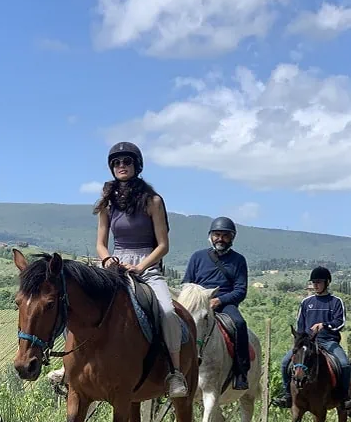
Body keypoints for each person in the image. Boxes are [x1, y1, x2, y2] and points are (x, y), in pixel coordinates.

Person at [94, 141, 187, 398]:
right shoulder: (107, 204)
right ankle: (70, 365)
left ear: (137, 166)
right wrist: (108, 260)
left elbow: (163, 245)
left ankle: (175, 372)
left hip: (146, 266)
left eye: (127, 162)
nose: (121, 166)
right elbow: (101, 244)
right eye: (117, 163)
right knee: (83, 301)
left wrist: (141, 266)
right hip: (115, 266)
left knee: (168, 311)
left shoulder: (153, 201)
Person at [182, 216, 251, 390]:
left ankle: (241, 372)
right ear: (210, 236)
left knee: (240, 324)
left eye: (225, 235)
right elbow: (187, 283)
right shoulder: (197, 257)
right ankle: (171, 369)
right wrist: (198, 299)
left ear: (232, 238)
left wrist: (219, 300)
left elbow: (240, 290)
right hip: (198, 303)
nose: (220, 239)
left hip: (224, 303)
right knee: (174, 324)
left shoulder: (239, 260)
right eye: (217, 234)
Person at [272, 266, 350, 407]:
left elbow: (340, 323)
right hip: (307, 344)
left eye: (318, 282)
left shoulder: (336, 301)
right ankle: (287, 395)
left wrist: (324, 325)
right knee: (284, 362)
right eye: (313, 282)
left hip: (328, 341)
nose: (315, 285)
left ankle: (344, 397)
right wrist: (299, 342)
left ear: (327, 282)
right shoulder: (306, 302)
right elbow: (300, 326)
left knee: (344, 364)